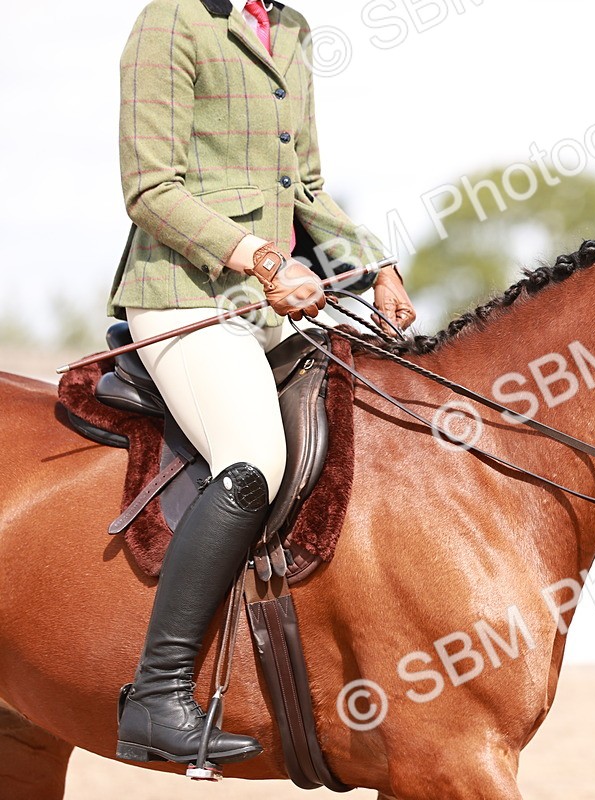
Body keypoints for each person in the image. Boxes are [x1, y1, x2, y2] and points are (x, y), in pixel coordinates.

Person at [108, 0, 415, 766]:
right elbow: (149, 187)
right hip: (183, 296)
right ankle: (157, 695)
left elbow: (303, 184)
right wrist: (263, 259)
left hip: (270, 308)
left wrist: (373, 262)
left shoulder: (294, 27)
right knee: (253, 460)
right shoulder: (171, 21)